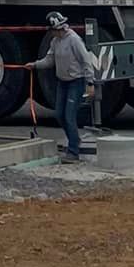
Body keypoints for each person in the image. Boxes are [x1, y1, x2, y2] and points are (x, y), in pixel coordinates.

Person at [34, 13, 96, 163]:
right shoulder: (55, 41)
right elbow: (49, 60)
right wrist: (35, 65)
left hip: (76, 81)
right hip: (63, 82)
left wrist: (90, 82)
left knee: (69, 116)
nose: (51, 33)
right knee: (59, 115)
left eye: (52, 30)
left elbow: (86, 60)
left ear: (58, 28)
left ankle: (73, 151)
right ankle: (74, 140)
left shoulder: (74, 40)